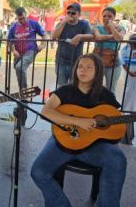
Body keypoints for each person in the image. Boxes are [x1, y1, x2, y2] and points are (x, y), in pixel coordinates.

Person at [31, 53, 127, 207]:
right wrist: (79, 121)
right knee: (39, 171)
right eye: (80, 66)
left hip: (94, 146)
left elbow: (116, 121)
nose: (83, 70)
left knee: (117, 158)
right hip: (62, 142)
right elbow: (46, 112)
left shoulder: (106, 96)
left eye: (89, 67)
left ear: (98, 72)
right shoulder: (65, 91)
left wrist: (113, 138)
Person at [52, 3, 94, 87]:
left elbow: (91, 36)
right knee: (61, 85)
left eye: (73, 13)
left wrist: (79, 36)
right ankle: (63, 100)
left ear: (79, 14)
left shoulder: (84, 24)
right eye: (68, 12)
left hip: (76, 61)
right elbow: (54, 36)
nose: (70, 14)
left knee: (74, 85)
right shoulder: (61, 23)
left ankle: (71, 100)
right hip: (61, 61)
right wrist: (63, 22)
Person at [7, 7, 46, 91]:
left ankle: (24, 90)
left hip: (31, 50)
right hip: (19, 53)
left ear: (26, 15)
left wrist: (42, 45)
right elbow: (9, 41)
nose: (22, 21)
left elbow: (44, 35)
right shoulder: (13, 27)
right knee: (18, 70)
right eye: (20, 19)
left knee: (19, 68)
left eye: (23, 18)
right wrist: (13, 50)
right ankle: (22, 90)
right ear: (17, 17)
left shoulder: (34, 24)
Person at [93, 7, 125, 93]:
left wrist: (112, 27)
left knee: (111, 89)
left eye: (109, 16)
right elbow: (98, 37)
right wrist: (112, 36)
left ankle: (110, 106)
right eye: (104, 16)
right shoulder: (97, 27)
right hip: (98, 63)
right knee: (95, 87)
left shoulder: (120, 28)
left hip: (113, 64)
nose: (106, 18)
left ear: (114, 17)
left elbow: (119, 38)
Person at [120, 34, 136, 143]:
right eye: (131, 42)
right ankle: (127, 117)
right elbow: (123, 62)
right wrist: (129, 72)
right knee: (128, 98)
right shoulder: (125, 49)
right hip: (129, 76)